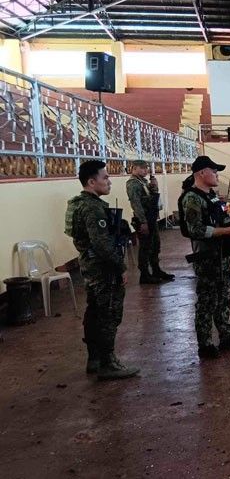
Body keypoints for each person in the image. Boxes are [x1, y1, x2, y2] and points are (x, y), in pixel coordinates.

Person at [64, 160, 139, 380]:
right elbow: (102, 244)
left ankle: (94, 358)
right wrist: (120, 266)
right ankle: (109, 363)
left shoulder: (78, 203)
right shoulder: (93, 207)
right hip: (103, 268)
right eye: (105, 177)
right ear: (91, 181)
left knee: (95, 311)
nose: (109, 181)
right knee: (109, 313)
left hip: (89, 266)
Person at [179, 155, 230, 359]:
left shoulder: (210, 196)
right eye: (214, 172)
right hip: (206, 258)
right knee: (207, 301)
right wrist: (227, 231)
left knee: (223, 299)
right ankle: (205, 345)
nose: (217, 175)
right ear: (202, 173)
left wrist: (229, 254)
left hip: (221, 255)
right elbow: (195, 229)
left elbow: (220, 221)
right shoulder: (192, 198)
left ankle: (226, 337)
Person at [126, 160, 174, 284]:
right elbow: (136, 204)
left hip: (151, 218)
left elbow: (152, 197)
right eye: (142, 168)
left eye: (146, 168)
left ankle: (156, 270)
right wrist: (143, 222)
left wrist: (154, 186)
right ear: (134, 168)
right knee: (145, 247)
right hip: (143, 219)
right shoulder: (133, 184)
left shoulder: (144, 182)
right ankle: (144, 274)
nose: (145, 170)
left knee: (155, 245)